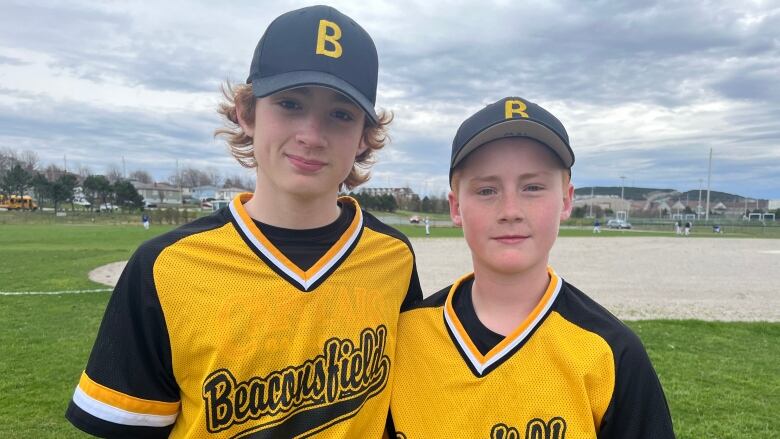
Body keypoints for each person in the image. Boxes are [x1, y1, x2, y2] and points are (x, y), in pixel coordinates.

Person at [66, 6, 422, 438]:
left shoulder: (393, 258)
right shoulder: (165, 266)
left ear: (366, 134)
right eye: (290, 104)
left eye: (341, 114)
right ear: (246, 113)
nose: (311, 134)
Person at [389, 97, 674, 438]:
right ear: (456, 207)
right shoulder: (405, 337)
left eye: (533, 187)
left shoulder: (610, 352)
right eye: (487, 190)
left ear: (566, 200)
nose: (510, 209)